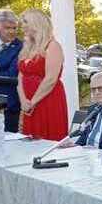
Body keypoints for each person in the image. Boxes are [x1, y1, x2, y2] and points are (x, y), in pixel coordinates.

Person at [17, 9, 68, 141]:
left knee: (47, 138)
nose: (22, 26)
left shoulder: (52, 46)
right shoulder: (27, 48)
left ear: (36, 23)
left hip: (48, 100)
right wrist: (24, 102)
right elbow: (20, 77)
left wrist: (33, 102)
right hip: (28, 104)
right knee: (29, 142)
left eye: (25, 22)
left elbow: (51, 79)